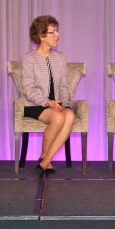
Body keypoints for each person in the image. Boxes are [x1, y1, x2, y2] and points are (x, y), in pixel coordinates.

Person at [21, 15, 75, 174]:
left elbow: (64, 85)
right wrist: (48, 102)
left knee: (69, 115)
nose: (57, 36)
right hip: (35, 105)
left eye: (57, 31)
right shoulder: (29, 58)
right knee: (58, 118)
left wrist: (62, 104)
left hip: (55, 105)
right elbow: (28, 89)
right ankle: (45, 158)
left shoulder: (60, 58)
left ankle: (44, 161)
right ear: (41, 36)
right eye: (53, 32)